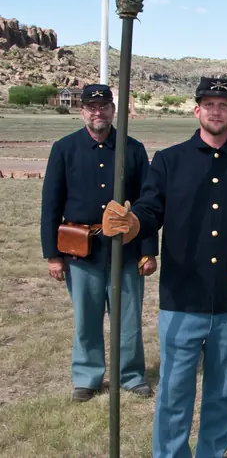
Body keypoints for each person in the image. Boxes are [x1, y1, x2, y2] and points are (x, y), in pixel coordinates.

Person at [101, 77, 227, 458]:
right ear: (196, 110)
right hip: (182, 298)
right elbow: (150, 210)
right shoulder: (168, 161)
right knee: (174, 394)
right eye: (208, 104)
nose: (216, 110)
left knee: (221, 395)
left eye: (224, 104)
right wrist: (133, 225)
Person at [40, 83, 158, 402]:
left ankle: (131, 375)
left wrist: (149, 251)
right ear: (82, 111)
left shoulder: (132, 149)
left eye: (103, 106)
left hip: (126, 248)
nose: (97, 112)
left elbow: (147, 205)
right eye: (91, 107)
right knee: (87, 317)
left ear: (112, 110)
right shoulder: (64, 149)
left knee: (128, 318)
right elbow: (51, 205)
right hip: (80, 250)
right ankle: (87, 377)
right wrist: (52, 255)